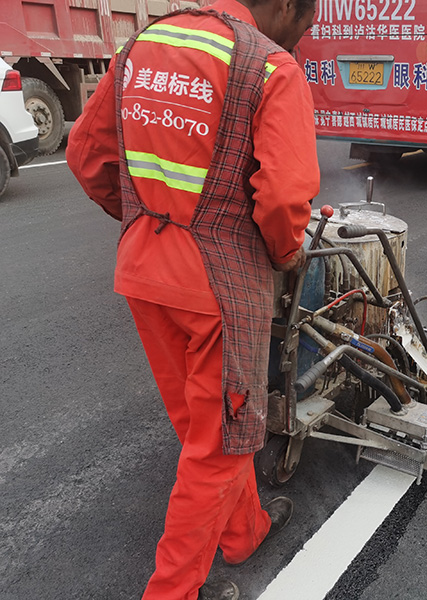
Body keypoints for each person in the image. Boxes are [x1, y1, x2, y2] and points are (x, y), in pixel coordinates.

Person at [66, 0, 319, 597]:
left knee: (203, 424)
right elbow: (284, 202)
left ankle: (245, 529)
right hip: (220, 290)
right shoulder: (270, 67)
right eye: (303, 27)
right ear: (284, 6)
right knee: (220, 444)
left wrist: (140, 221)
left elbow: (86, 155)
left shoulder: (143, 45)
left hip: (143, 269)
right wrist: (284, 258)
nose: (301, 43)